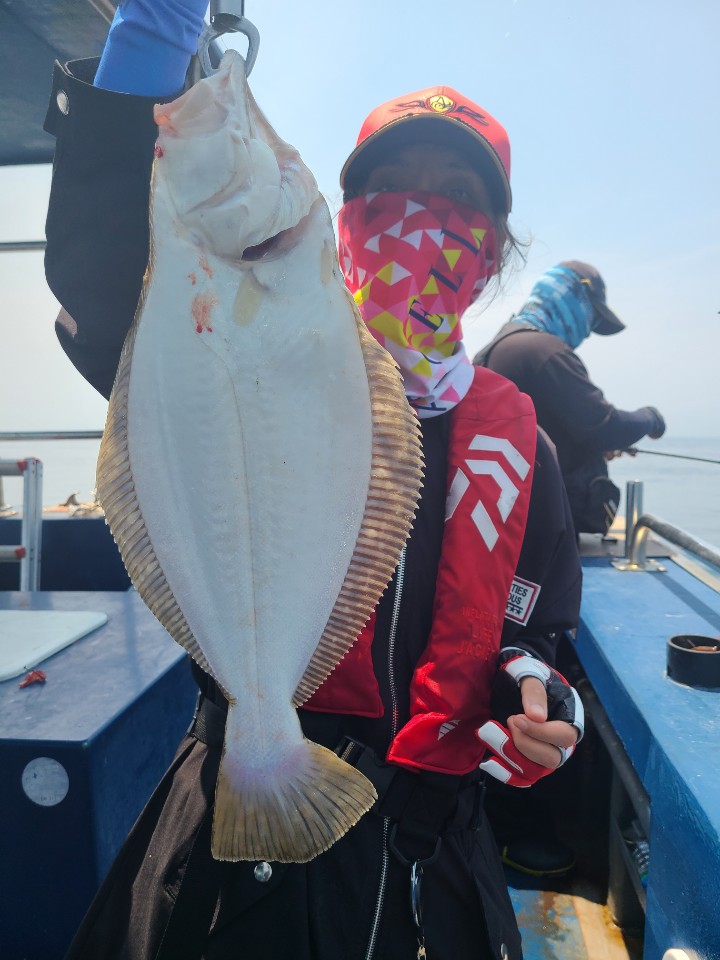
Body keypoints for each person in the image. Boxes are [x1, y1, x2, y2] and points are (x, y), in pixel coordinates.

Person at [43, 4, 583, 958]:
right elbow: (103, 269)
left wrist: (542, 700)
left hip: (435, 863)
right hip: (236, 857)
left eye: (456, 194)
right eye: (391, 186)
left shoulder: (520, 447)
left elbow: (537, 632)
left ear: (493, 249)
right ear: (347, 215)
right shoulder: (232, 326)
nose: (421, 213)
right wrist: (142, 63)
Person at [474, 262, 666, 536]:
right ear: (572, 296)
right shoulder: (543, 352)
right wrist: (651, 418)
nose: (588, 331)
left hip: (506, 518)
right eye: (592, 316)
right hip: (543, 527)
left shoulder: (496, 348)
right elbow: (606, 427)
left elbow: (539, 430)